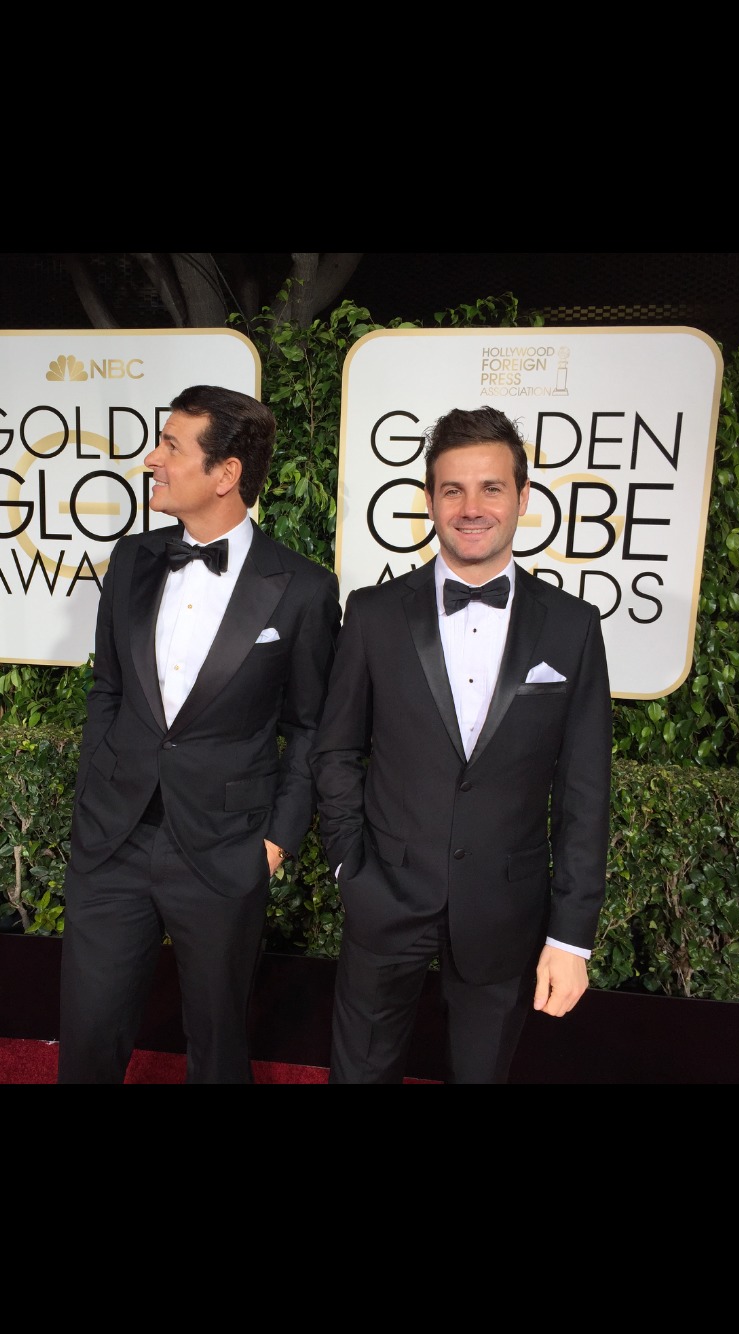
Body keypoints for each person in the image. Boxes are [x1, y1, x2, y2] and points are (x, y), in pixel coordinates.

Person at [310, 405, 612, 1084]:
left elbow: (585, 790)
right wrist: (347, 868)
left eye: (491, 488)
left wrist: (570, 935)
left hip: (506, 910)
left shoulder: (572, 627)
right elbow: (334, 751)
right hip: (383, 895)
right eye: (453, 490)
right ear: (429, 501)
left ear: (523, 498)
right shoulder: (374, 614)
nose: (471, 507)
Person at [57, 384, 341, 1084]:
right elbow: (109, 691)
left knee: (216, 1044)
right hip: (113, 839)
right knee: (88, 1034)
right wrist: (94, 794)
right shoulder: (132, 561)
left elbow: (310, 729)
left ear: (226, 473)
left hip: (224, 848)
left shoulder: (301, 588)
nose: (152, 459)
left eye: (172, 446)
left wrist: (275, 842)